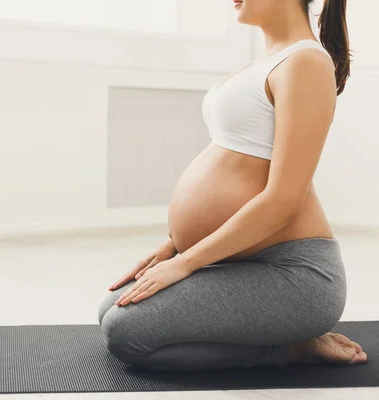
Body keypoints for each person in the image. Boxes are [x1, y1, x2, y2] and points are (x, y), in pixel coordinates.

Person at [97, 0, 368, 372]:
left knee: (126, 331)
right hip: (246, 260)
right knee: (111, 309)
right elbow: (243, 164)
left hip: (295, 275)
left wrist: (187, 263)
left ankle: (290, 349)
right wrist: (175, 245)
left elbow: (284, 201)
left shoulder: (306, 63)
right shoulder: (270, 60)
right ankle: (281, 337)